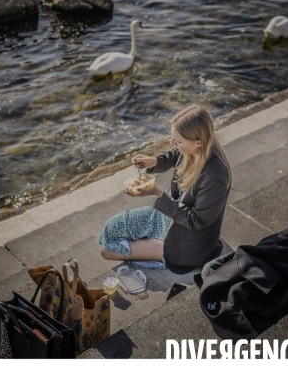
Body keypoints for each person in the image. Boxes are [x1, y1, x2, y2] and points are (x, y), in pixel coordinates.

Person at [97, 104, 232, 273]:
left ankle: (164, 250)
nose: (172, 143)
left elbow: (196, 220)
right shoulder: (198, 147)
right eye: (172, 137)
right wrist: (154, 161)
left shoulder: (216, 176)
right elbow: (177, 154)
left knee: (107, 251)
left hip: (187, 241)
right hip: (170, 216)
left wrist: (159, 194)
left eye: (179, 140)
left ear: (198, 142)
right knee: (112, 227)